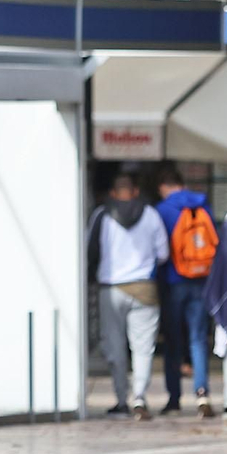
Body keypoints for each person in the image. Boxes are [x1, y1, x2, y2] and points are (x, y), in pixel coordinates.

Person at [88, 172, 168, 420]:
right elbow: (163, 253)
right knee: (143, 347)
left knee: (115, 347)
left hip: (111, 289)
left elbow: (90, 251)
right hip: (144, 288)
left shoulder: (102, 215)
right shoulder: (151, 214)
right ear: (135, 191)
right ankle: (139, 399)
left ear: (113, 193)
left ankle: (121, 399)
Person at [156, 168, 217, 417]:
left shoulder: (162, 210)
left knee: (173, 341)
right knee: (198, 339)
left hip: (173, 281)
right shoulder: (204, 207)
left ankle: (174, 398)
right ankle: (202, 393)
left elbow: (159, 249)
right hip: (202, 280)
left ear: (164, 186)